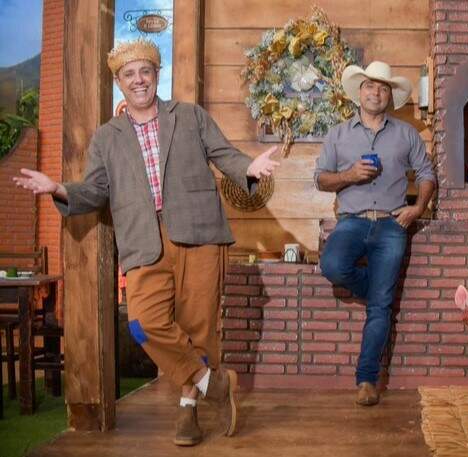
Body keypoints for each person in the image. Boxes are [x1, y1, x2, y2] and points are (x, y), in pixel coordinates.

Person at [12, 39, 279, 446]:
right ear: (119, 82)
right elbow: (95, 190)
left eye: (145, 72)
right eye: (128, 74)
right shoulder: (107, 137)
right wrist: (59, 188)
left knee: (199, 326)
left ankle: (188, 407)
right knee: (143, 323)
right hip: (141, 239)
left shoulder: (188, 116)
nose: (138, 80)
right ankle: (213, 383)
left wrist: (249, 168)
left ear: (156, 75)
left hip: (198, 232)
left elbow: (225, 154)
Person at [314, 61, 436, 406]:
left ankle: (366, 380)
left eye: (383, 88)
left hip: (391, 225)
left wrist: (418, 208)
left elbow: (427, 174)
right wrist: (349, 175)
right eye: (370, 86)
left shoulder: (406, 134)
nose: (376, 92)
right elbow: (320, 179)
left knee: (380, 309)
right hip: (351, 221)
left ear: (390, 96)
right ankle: (378, 292)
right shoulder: (338, 134)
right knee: (333, 267)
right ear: (360, 91)